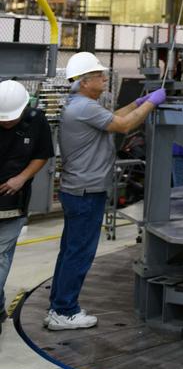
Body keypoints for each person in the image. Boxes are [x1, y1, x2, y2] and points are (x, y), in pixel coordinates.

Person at [46, 51, 166, 331]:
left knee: (70, 251)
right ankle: (64, 311)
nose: (104, 78)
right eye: (99, 75)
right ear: (85, 82)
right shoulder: (84, 108)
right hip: (86, 191)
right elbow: (123, 125)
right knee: (79, 253)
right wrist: (152, 104)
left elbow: (112, 118)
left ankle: (58, 307)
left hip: (79, 189)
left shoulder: (81, 105)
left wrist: (138, 102)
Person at [0, 81, 53, 335]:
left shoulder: (36, 121)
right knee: (2, 256)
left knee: (0, 255)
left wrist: (22, 178)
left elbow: (41, 154)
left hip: (13, 205)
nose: (6, 123)